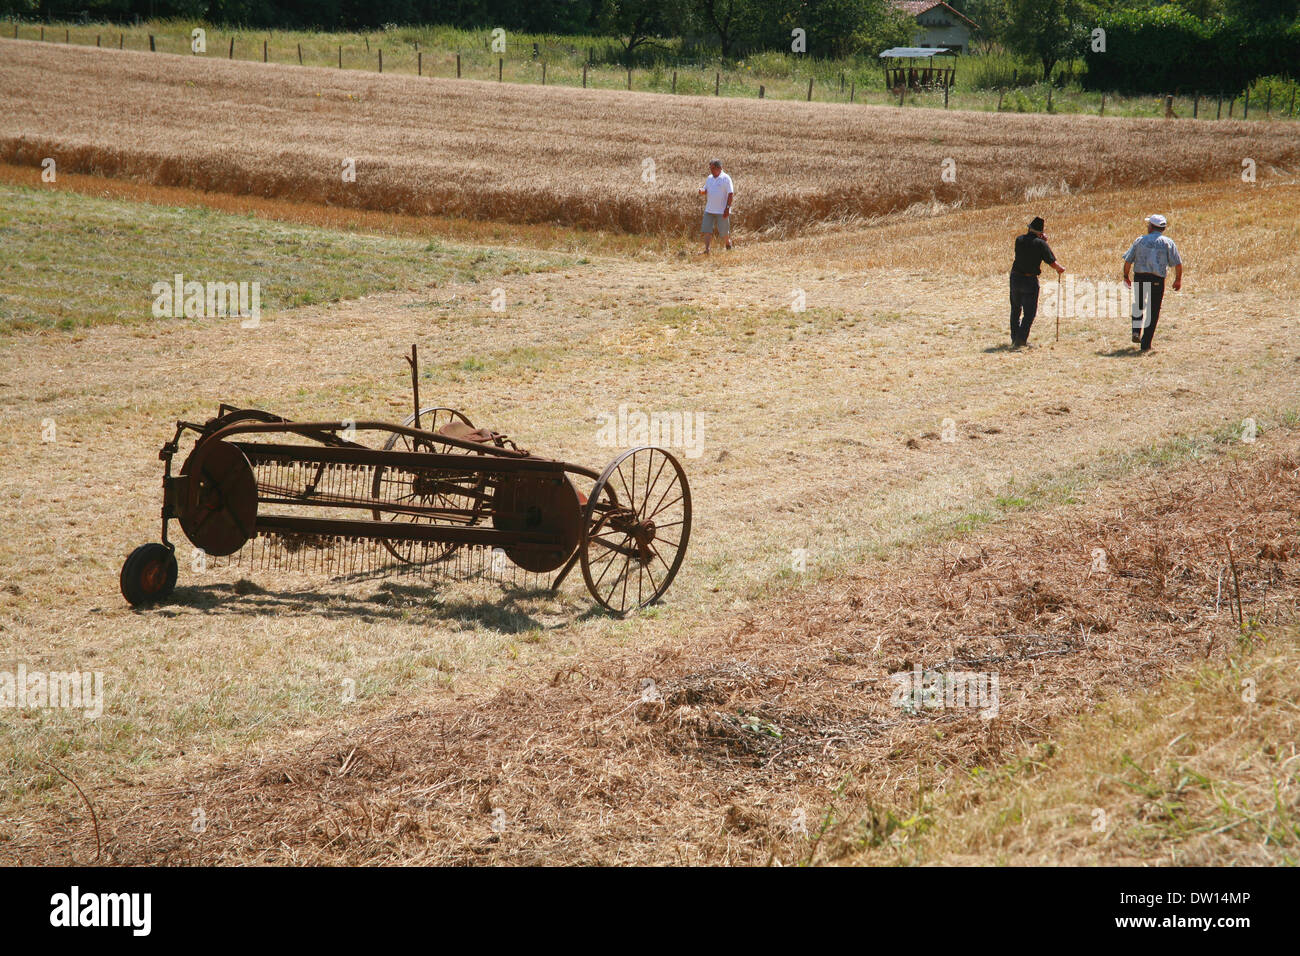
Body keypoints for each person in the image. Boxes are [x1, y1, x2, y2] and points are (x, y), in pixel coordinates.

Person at [1122, 214, 1182, 352]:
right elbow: (1178, 263)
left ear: (1151, 227)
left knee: (1138, 305)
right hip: (1157, 280)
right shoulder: (1168, 242)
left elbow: (1128, 261)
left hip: (1141, 277)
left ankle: (1136, 331)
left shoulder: (1140, 241)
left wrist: (1126, 276)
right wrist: (1178, 279)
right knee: (1153, 311)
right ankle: (1146, 344)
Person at [1008, 216, 1065, 348]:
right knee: (1030, 312)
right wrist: (1060, 269)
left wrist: (1041, 241)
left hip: (1015, 278)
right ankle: (1021, 340)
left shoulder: (1019, 240)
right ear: (1040, 232)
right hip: (1029, 280)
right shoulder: (1041, 244)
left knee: (1015, 309)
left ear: (1029, 228)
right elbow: (1052, 262)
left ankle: (1015, 338)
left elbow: (1029, 248)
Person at [697, 159, 734, 254]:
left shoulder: (726, 178)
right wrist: (702, 191)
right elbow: (706, 189)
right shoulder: (709, 178)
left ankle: (728, 243)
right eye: (710, 168)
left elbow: (730, 194)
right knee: (707, 230)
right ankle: (707, 250)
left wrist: (727, 208)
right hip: (709, 209)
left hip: (722, 211)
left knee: (724, 232)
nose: (711, 170)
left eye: (713, 168)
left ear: (719, 168)